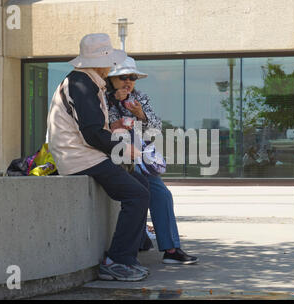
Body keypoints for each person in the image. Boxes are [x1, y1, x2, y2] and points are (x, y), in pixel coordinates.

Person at [47, 34, 151, 281]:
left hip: (83, 155)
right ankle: (117, 261)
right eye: (110, 63)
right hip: (80, 157)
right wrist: (124, 150)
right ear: (101, 62)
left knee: (142, 186)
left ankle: (127, 256)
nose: (112, 67)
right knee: (137, 194)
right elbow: (93, 133)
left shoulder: (85, 81)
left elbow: (91, 128)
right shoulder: (82, 84)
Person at [106, 57, 198, 265]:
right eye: (123, 77)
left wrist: (141, 114)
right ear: (111, 79)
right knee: (143, 193)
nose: (128, 81)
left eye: (133, 77)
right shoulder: (102, 98)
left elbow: (156, 128)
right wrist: (114, 109)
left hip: (138, 159)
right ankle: (146, 242)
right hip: (113, 158)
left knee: (162, 195)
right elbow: (97, 127)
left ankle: (171, 249)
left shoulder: (140, 97)